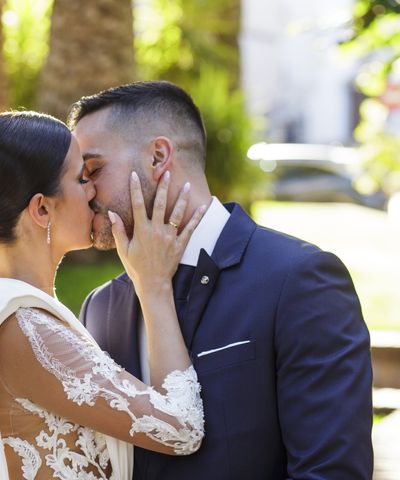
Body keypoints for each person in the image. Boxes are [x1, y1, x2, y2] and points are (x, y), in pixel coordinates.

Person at [0, 111, 209, 480]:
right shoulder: (27, 330)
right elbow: (181, 428)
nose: (94, 192)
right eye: (82, 178)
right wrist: (153, 286)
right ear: (42, 208)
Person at [70, 81, 373, 479]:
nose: (85, 191)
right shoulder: (101, 306)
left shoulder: (299, 280)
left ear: (158, 156)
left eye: (93, 170)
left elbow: (332, 471)